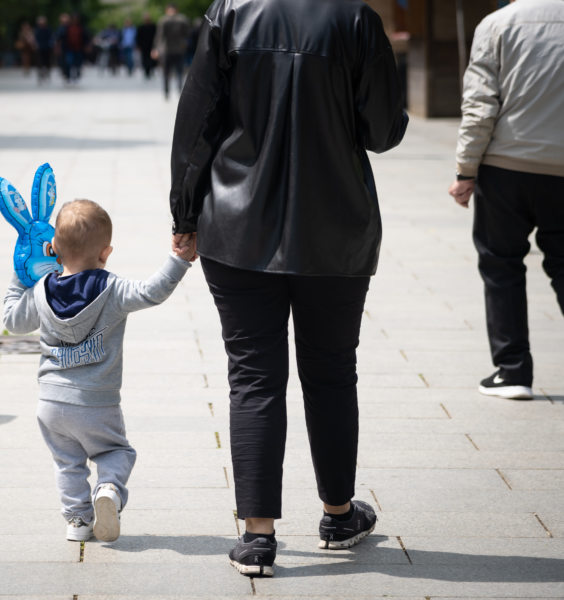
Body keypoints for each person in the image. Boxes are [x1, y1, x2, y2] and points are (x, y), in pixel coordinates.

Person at [169, 0, 407, 577]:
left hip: (236, 223)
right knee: (330, 370)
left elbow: (197, 118)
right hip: (334, 230)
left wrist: (183, 213)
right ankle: (338, 513)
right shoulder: (356, 19)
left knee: (253, 375)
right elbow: (383, 130)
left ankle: (257, 537)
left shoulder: (232, 10)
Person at [3, 199, 194, 542]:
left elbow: (12, 322)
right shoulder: (113, 289)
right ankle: (108, 489)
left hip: (50, 404)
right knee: (116, 452)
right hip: (97, 403)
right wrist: (179, 260)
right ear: (106, 253)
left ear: (54, 249)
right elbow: (152, 292)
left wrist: (20, 277)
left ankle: (77, 522)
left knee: (67, 463)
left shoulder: (40, 291)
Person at [448, 0, 564, 400]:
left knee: (501, 266)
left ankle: (513, 371)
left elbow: (480, 104)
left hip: (506, 167)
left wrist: (466, 170)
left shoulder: (497, 24)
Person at [153, 4, 191, 98]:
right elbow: (187, 34)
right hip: (179, 49)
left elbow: (159, 36)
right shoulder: (182, 19)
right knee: (179, 71)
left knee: (167, 72)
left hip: (167, 50)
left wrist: (156, 49)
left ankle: (167, 91)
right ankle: (179, 89)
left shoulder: (163, 20)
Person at [136, 13, 157, 80]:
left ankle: (151, 70)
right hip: (144, 46)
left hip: (152, 46)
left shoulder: (153, 26)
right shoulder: (141, 27)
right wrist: (138, 46)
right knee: (145, 59)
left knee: (152, 59)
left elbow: (156, 36)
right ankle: (146, 71)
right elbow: (138, 37)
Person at [34, 16, 54, 84]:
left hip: (47, 48)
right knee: (40, 62)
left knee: (47, 62)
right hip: (40, 48)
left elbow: (51, 38)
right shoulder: (37, 30)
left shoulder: (48, 30)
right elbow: (35, 39)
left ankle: (47, 73)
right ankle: (40, 75)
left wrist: (50, 44)